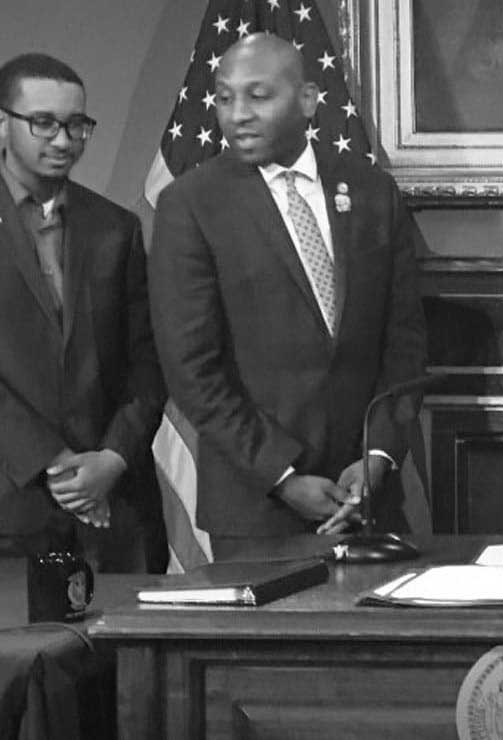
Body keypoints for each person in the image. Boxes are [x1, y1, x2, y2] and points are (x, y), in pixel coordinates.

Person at [149, 34, 427, 558]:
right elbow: (193, 371)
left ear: (307, 100)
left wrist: (379, 457)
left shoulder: (370, 192)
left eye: (259, 96)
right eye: (226, 97)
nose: (238, 115)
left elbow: (403, 345)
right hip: (258, 510)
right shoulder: (191, 205)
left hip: (365, 500)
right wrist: (283, 476)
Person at [0, 53, 167, 572]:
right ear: (0, 122)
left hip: (115, 506)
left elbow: (148, 359)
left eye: (77, 124)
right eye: (45, 123)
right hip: (5, 507)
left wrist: (113, 459)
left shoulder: (115, 227)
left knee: (123, 655)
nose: (63, 139)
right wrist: (55, 466)